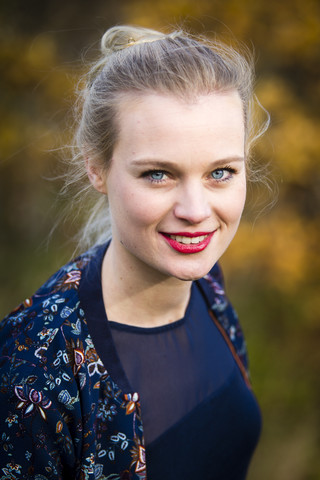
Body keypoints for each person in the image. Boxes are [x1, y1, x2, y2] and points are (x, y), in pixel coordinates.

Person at [0, 25, 269, 479]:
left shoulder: (208, 285)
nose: (195, 211)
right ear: (96, 168)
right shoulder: (30, 371)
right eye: (158, 174)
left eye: (220, 172)